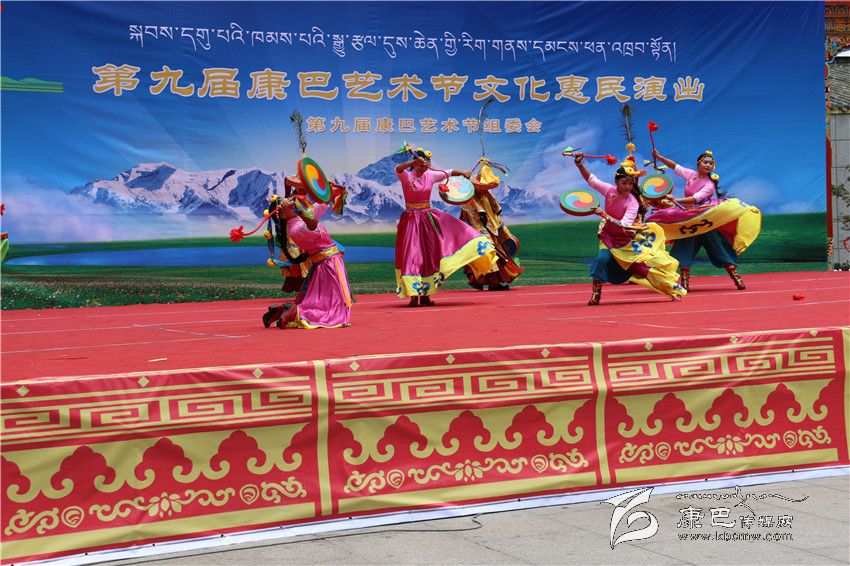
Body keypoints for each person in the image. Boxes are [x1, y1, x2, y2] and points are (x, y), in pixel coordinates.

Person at [573, 152, 686, 305]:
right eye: (624, 183)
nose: (627, 186)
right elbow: (591, 180)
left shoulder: (632, 203)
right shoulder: (609, 190)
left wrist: (603, 214)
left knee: (643, 270)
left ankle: (672, 290)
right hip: (608, 237)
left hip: (625, 242)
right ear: (617, 182)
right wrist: (580, 164)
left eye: (630, 183)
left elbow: (623, 225)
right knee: (601, 259)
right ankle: (596, 294)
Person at [394, 147, 497, 306]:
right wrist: (413, 161)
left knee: (430, 256)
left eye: (427, 164)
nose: (425, 167)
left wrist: (463, 173)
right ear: (414, 164)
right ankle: (413, 295)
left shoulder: (430, 175)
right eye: (421, 164)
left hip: (427, 219)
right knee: (412, 255)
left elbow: (449, 172)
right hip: (411, 221)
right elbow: (398, 168)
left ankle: (426, 295)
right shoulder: (407, 176)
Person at [649, 149, 760, 291]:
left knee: (718, 247)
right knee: (683, 247)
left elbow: (695, 199)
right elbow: (675, 166)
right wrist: (659, 157)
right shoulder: (691, 175)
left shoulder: (709, 184)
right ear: (698, 163)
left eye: (711, 163)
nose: (708, 165)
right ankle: (684, 282)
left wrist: (675, 200)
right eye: (705, 162)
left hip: (704, 219)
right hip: (689, 219)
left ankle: (736, 278)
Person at [266, 191, 352, 329]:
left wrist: (333, 190)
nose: (290, 202)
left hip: (324, 264)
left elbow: (322, 204)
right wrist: (297, 209)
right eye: (285, 204)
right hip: (329, 265)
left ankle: (286, 309)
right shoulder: (296, 229)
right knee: (335, 307)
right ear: (281, 215)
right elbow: (312, 223)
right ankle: (295, 313)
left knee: (323, 301)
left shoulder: (300, 220)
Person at [458, 161, 523, 291]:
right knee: (489, 252)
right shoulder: (470, 197)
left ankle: (478, 280)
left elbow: (494, 210)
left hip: (489, 228)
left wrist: (499, 225)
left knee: (491, 253)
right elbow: (474, 215)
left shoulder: (485, 194)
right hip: (480, 228)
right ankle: (492, 283)